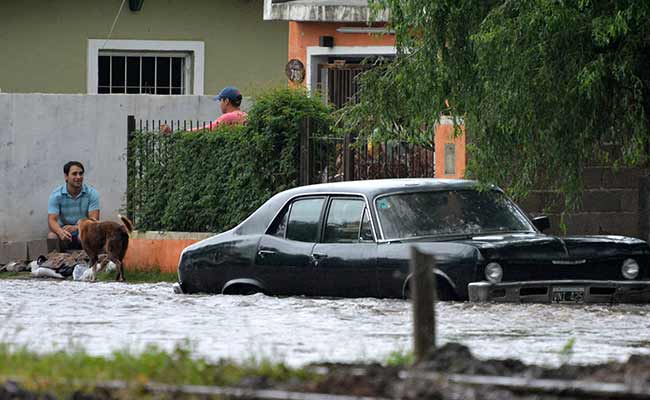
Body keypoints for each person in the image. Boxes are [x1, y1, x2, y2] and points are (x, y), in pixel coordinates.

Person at [47, 161, 100, 250]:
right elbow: (52, 220)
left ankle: (90, 260)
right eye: (74, 174)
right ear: (66, 176)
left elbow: (94, 220)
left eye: (81, 174)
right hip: (64, 231)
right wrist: (60, 232)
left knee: (93, 234)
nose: (78, 177)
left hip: (84, 230)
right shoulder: (56, 195)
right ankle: (54, 262)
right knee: (51, 236)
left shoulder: (92, 193)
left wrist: (77, 228)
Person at [161, 86, 247, 133]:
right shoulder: (244, 115)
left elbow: (207, 130)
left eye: (220, 100)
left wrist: (180, 133)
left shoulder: (228, 117)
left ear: (227, 101)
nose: (220, 104)